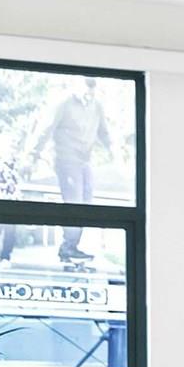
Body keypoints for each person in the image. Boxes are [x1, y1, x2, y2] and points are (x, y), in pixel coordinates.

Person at [48, 85, 109, 262]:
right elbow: (47, 127)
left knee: (86, 201)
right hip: (66, 158)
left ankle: (71, 245)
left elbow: (103, 132)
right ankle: (68, 246)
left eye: (92, 92)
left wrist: (114, 151)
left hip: (84, 159)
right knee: (74, 201)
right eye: (86, 92)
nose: (88, 96)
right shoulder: (64, 102)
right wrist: (32, 155)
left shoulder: (96, 105)